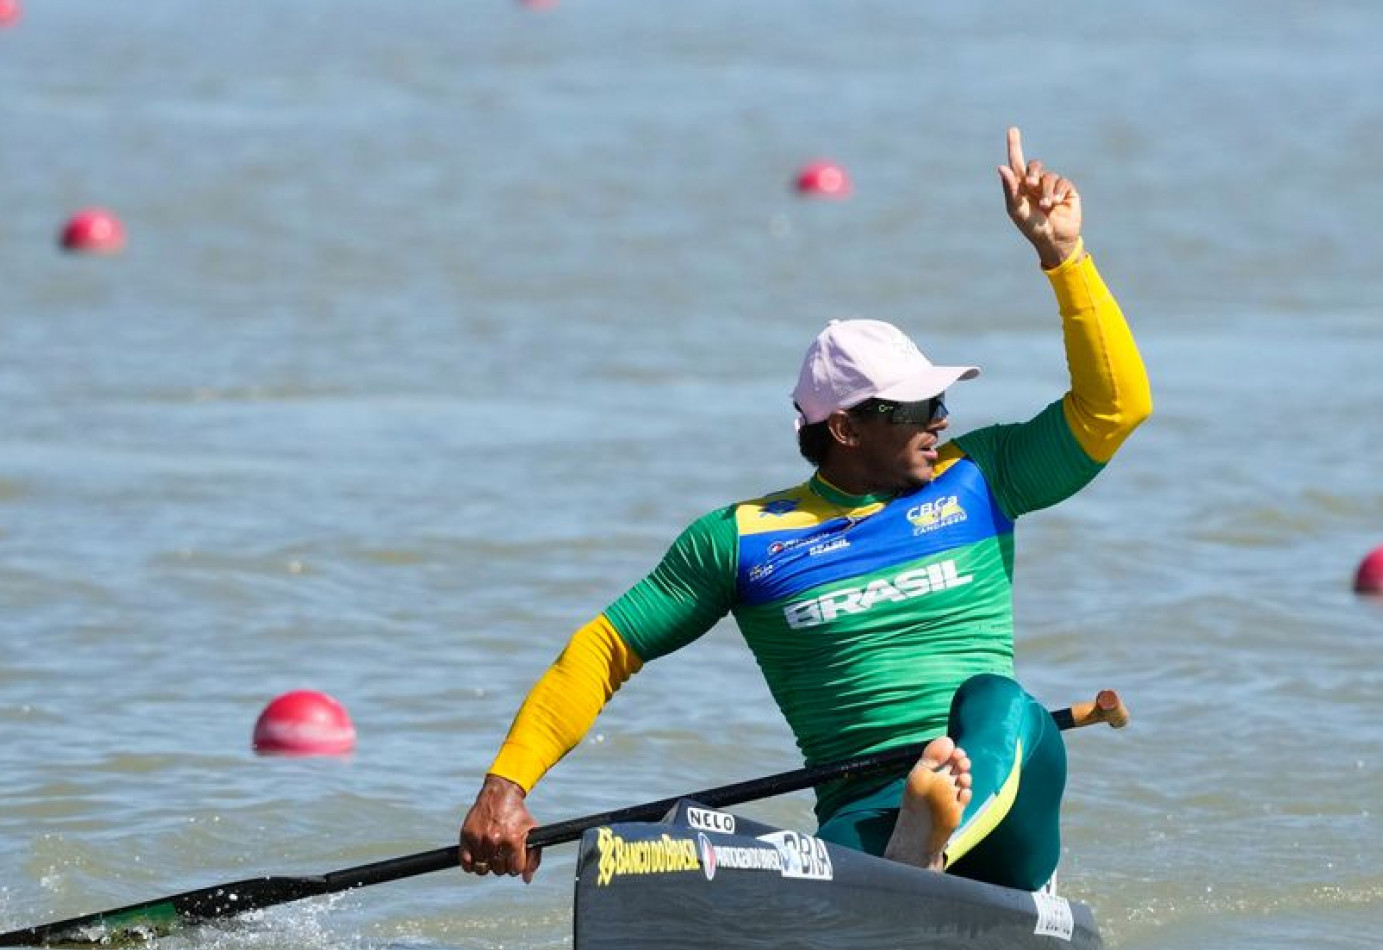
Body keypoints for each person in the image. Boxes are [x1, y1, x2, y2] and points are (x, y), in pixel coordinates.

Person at [459, 127, 1151, 890]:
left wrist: (1064, 258)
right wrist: (505, 789)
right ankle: (900, 859)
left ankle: (927, 853)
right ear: (847, 428)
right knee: (703, 844)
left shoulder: (982, 477)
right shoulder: (742, 540)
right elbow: (605, 649)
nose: (941, 419)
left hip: (1003, 800)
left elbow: (1115, 409)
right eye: (916, 407)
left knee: (1000, 703)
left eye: (942, 400)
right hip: (864, 811)